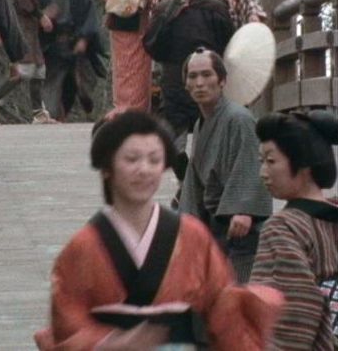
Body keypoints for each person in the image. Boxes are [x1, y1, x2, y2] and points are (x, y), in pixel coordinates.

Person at [33, 111, 283, 350]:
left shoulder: (192, 236)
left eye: (154, 160)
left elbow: (225, 310)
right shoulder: (82, 248)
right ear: (107, 167)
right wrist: (110, 343)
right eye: (132, 159)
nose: (144, 169)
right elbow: (66, 324)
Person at [179, 48, 271, 283]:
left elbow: (250, 162)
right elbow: (194, 179)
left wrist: (244, 209)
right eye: (193, 76)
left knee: (240, 289)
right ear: (186, 85)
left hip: (240, 226)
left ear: (222, 80)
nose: (199, 83)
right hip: (216, 226)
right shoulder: (201, 124)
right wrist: (188, 221)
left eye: (207, 74)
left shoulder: (239, 118)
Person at [250, 110, 338, 349]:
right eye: (261, 162)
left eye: (271, 161)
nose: (263, 173)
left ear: (304, 165)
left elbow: (293, 310)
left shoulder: (283, 227)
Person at [145, 0, 234, 167]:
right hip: (175, 85)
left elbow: (228, 45)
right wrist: (168, 19)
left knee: (209, 150)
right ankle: (184, 180)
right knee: (173, 151)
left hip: (208, 85)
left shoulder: (215, 9)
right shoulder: (164, 9)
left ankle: (199, 184)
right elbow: (152, 46)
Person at [38, 0, 106, 121]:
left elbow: (90, 18)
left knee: (82, 85)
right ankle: (56, 115)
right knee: (51, 96)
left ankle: (83, 100)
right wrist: (42, 18)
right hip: (52, 48)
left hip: (75, 46)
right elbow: (32, 16)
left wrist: (84, 39)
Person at [0, 0, 56, 124]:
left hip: (12, 21)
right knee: (25, 68)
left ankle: (38, 112)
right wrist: (40, 15)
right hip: (23, 23)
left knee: (37, 68)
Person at [101, 0, 159, 118]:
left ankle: (121, 108)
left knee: (121, 70)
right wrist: (138, 1)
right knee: (139, 70)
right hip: (139, 25)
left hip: (118, 26)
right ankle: (136, 112)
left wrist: (122, 0)